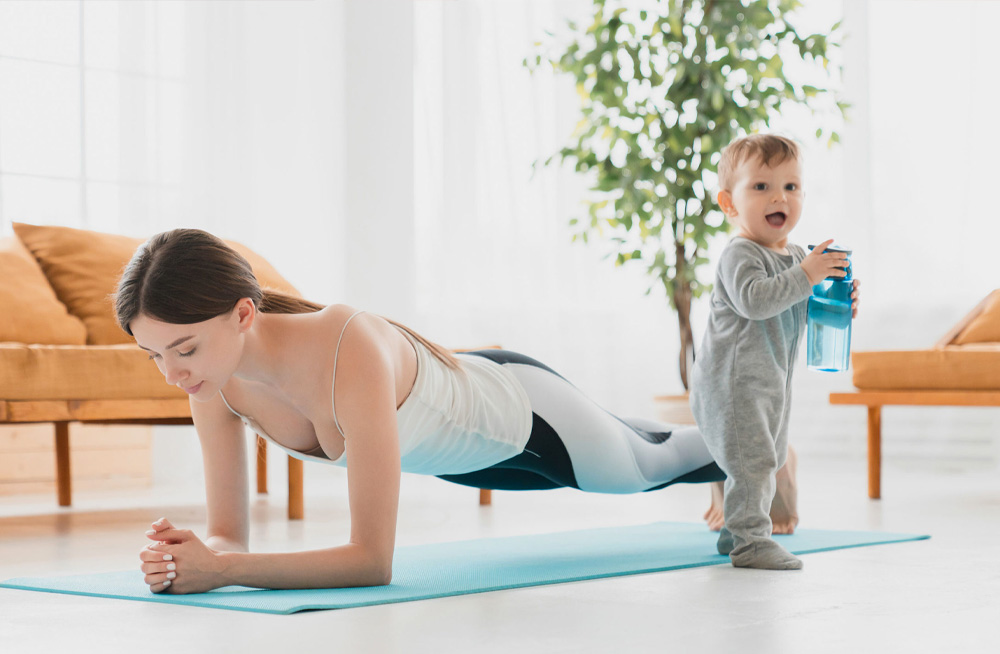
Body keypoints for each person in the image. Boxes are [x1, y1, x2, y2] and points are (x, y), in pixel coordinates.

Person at [117, 228, 734, 595]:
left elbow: (370, 561)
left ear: (243, 314)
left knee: (654, 465)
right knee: (639, 439)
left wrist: (224, 572)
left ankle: (762, 452)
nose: (173, 373)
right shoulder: (212, 383)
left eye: (184, 348)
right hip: (461, 460)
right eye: (153, 356)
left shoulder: (345, 344)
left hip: (524, 414)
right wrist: (187, 557)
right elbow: (228, 537)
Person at [690, 134, 861, 571]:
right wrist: (806, 275)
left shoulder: (797, 257)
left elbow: (796, 309)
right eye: (761, 187)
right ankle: (751, 542)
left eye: (790, 186)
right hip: (733, 385)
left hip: (769, 381)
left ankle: (735, 532)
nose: (778, 197)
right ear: (730, 204)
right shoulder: (739, 255)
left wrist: (836, 302)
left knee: (767, 453)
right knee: (755, 461)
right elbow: (757, 300)